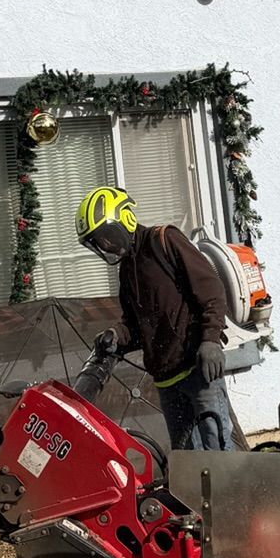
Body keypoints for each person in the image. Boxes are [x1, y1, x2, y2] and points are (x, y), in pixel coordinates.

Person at [75, 186, 233, 448]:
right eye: (99, 242)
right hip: (167, 379)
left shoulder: (165, 240)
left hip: (197, 368)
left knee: (217, 452)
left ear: (124, 219)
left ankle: (234, 491)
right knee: (187, 464)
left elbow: (212, 290)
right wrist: (116, 335)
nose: (105, 244)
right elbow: (136, 326)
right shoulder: (126, 270)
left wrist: (211, 340)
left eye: (106, 236)